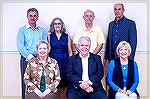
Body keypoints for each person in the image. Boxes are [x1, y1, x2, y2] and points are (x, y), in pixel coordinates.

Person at [16, 8, 47, 99]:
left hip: (40, 59)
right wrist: (30, 57)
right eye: (30, 15)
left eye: (35, 15)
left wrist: (40, 57)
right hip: (26, 59)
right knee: (26, 82)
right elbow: (20, 46)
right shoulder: (22, 30)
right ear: (27, 17)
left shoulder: (41, 31)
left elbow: (45, 44)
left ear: (37, 17)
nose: (33, 18)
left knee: (39, 82)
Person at [48, 17, 72, 98]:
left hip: (65, 62)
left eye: (59, 23)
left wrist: (71, 64)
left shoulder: (67, 36)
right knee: (55, 83)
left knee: (65, 83)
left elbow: (70, 51)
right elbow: (48, 51)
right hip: (53, 62)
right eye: (55, 24)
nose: (57, 25)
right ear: (53, 25)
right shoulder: (49, 36)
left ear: (62, 25)